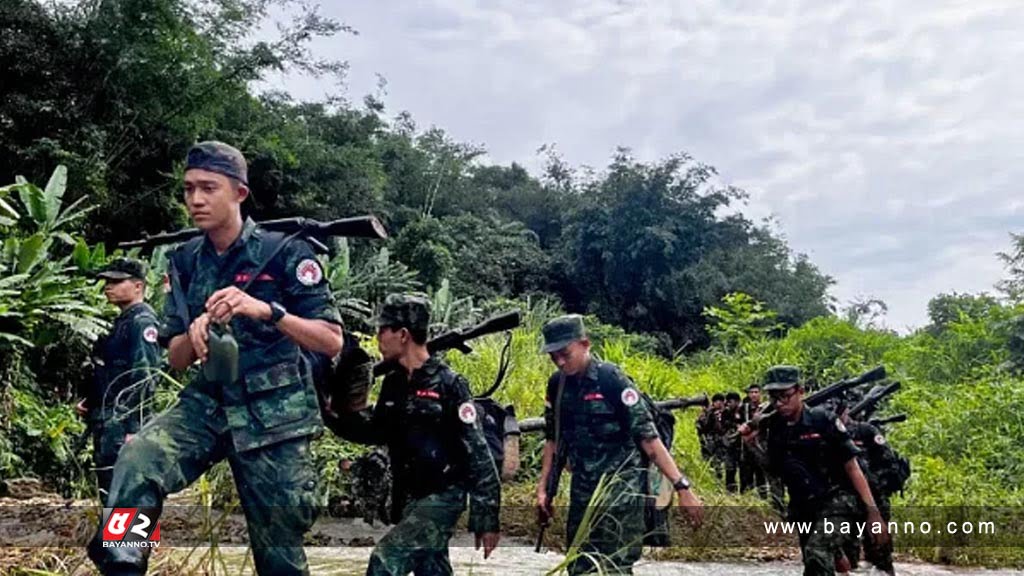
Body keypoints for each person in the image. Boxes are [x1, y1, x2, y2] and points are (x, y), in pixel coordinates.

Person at [88, 141, 344, 576]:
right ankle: (123, 560)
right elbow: (175, 357)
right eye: (188, 190)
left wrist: (266, 310)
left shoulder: (287, 253)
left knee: (278, 554)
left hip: (275, 414)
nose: (196, 200)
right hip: (209, 401)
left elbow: (331, 340)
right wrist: (193, 332)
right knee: (139, 458)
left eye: (209, 188)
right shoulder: (185, 261)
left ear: (239, 193)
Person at [336, 294, 501, 575]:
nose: (377, 337)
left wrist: (487, 517)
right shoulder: (394, 383)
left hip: (444, 496)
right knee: (432, 570)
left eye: (382, 330)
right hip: (411, 496)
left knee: (384, 562)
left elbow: (478, 452)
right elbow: (375, 431)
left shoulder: (450, 384)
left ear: (402, 335)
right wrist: (337, 415)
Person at [535, 314, 703, 575]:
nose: (559, 361)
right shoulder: (557, 385)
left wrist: (682, 486)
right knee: (579, 566)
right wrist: (544, 488)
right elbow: (553, 440)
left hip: (621, 494)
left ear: (585, 344)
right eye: (553, 355)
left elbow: (649, 439)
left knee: (614, 567)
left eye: (565, 353)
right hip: (582, 493)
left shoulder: (612, 381)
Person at [740, 366, 889, 576]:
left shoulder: (823, 420)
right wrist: (752, 444)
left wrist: (873, 513)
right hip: (805, 506)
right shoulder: (776, 428)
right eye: (774, 398)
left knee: (817, 553)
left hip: (839, 501)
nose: (780, 403)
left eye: (785, 396)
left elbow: (852, 466)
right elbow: (774, 470)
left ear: (800, 391)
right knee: (828, 560)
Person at [77, 258, 161, 503]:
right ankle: (121, 540)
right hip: (108, 418)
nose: (108, 287)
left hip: (124, 421)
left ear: (138, 286)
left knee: (128, 486)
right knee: (111, 486)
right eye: (107, 282)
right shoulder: (123, 321)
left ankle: (133, 541)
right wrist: (91, 401)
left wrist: (135, 428)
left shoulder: (141, 322)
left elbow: (145, 377)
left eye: (116, 281)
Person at [837, 403, 897, 576]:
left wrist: (874, 482)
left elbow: (888, 461)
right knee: (847, 552)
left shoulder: (866, 431)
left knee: (880, 550)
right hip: (844, 499)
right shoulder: (829, 433)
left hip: (875, 497)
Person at [739, 384, 768, 496]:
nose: (754, 395)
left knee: (761, 473)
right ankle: (746, 497)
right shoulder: (744, 408)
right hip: (746, 445)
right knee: (746, 471)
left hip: (761, 445)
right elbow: (737, 422)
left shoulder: (766, 408)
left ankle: (763, 497)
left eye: (756, 392)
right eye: (751, 392)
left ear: (761, 394)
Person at [719, 391, 743, 492]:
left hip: (743, 446)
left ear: (737, 402)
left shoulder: (743, 411)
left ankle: (744, 491)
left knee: (744, 471)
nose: (728, 404)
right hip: (730, 445)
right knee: (730, 469)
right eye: (727, 402)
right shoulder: (725, 412)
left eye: (730, 401)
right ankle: (730, 491)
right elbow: (723, 426)